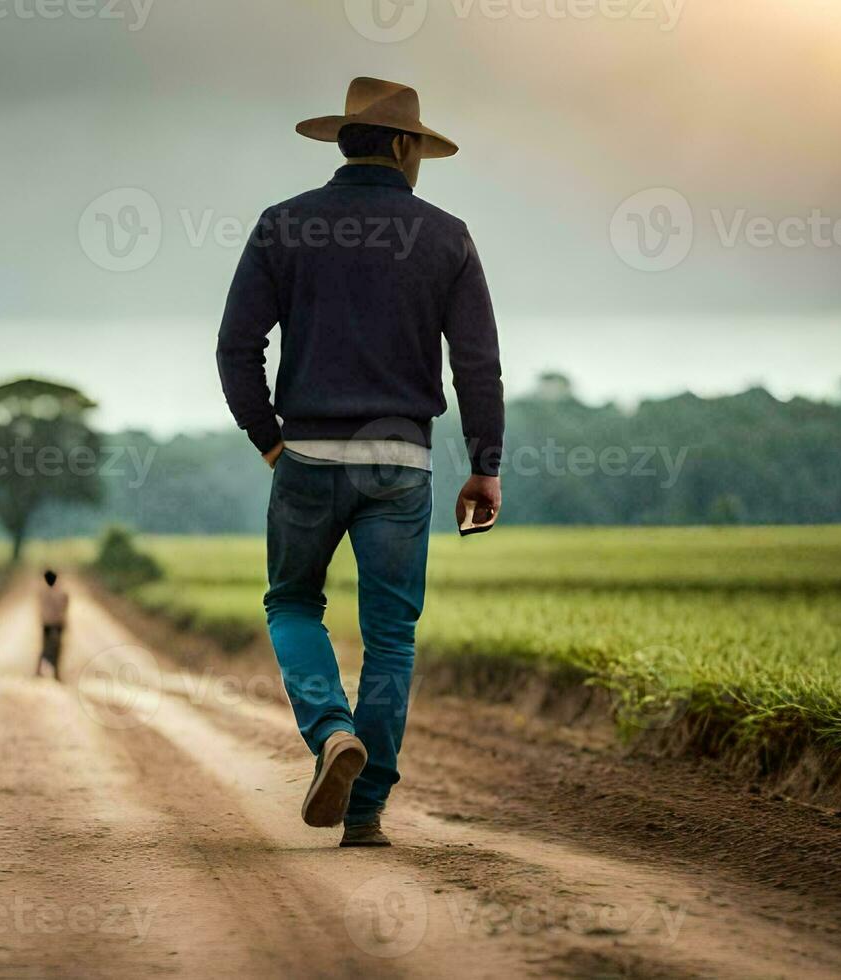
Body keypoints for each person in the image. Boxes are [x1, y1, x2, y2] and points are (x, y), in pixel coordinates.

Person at [215, 77, 504, 847]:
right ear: (406, 147)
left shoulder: (285, 225)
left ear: (344, 141)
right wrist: (486, 463)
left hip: (306, 454)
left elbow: (237, 348)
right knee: (391, 638)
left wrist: (269, 439)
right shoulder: (447, 235)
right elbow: (477, 363)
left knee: (292, 604)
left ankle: (331, 732)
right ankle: (367, 808)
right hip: (400, 465)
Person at [38, 569, 69, 680]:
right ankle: (55, 673)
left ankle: (40, 671)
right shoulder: (61, 592)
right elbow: (65, 605)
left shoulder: (43, 592)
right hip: (56, 624)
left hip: (48, 623)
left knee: (46, 647)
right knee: (55, 648)